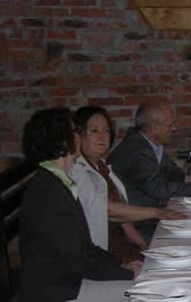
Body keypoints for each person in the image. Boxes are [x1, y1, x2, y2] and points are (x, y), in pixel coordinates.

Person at [18, 107, 139, 302]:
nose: (79, 136)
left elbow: (84, 248)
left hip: (67, 283)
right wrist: (126, 273)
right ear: (63, 140)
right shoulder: (48, 192)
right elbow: (78, 258)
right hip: (53, 296)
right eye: (75, 131)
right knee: (144, 297)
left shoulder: (58, 182)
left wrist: (121, 265)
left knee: (143, 285)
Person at [70, 106, 182, 261]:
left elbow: (124, 222)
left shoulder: (102, 166)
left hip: (123, 241)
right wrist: (157, 212)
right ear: (78, 136)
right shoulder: (77, 169)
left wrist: (143, 246)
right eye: (94, 131)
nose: (102, 137)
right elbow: (107, 209)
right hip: (101, 250)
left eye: (106, 130)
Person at [109, 99, 191, 240]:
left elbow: (177, 174)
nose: (174, 129)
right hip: (141, 225)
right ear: (155, 128)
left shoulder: (151, 144)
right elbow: (159, 189)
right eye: (170, 125)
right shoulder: (138, 150)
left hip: (154, 214)